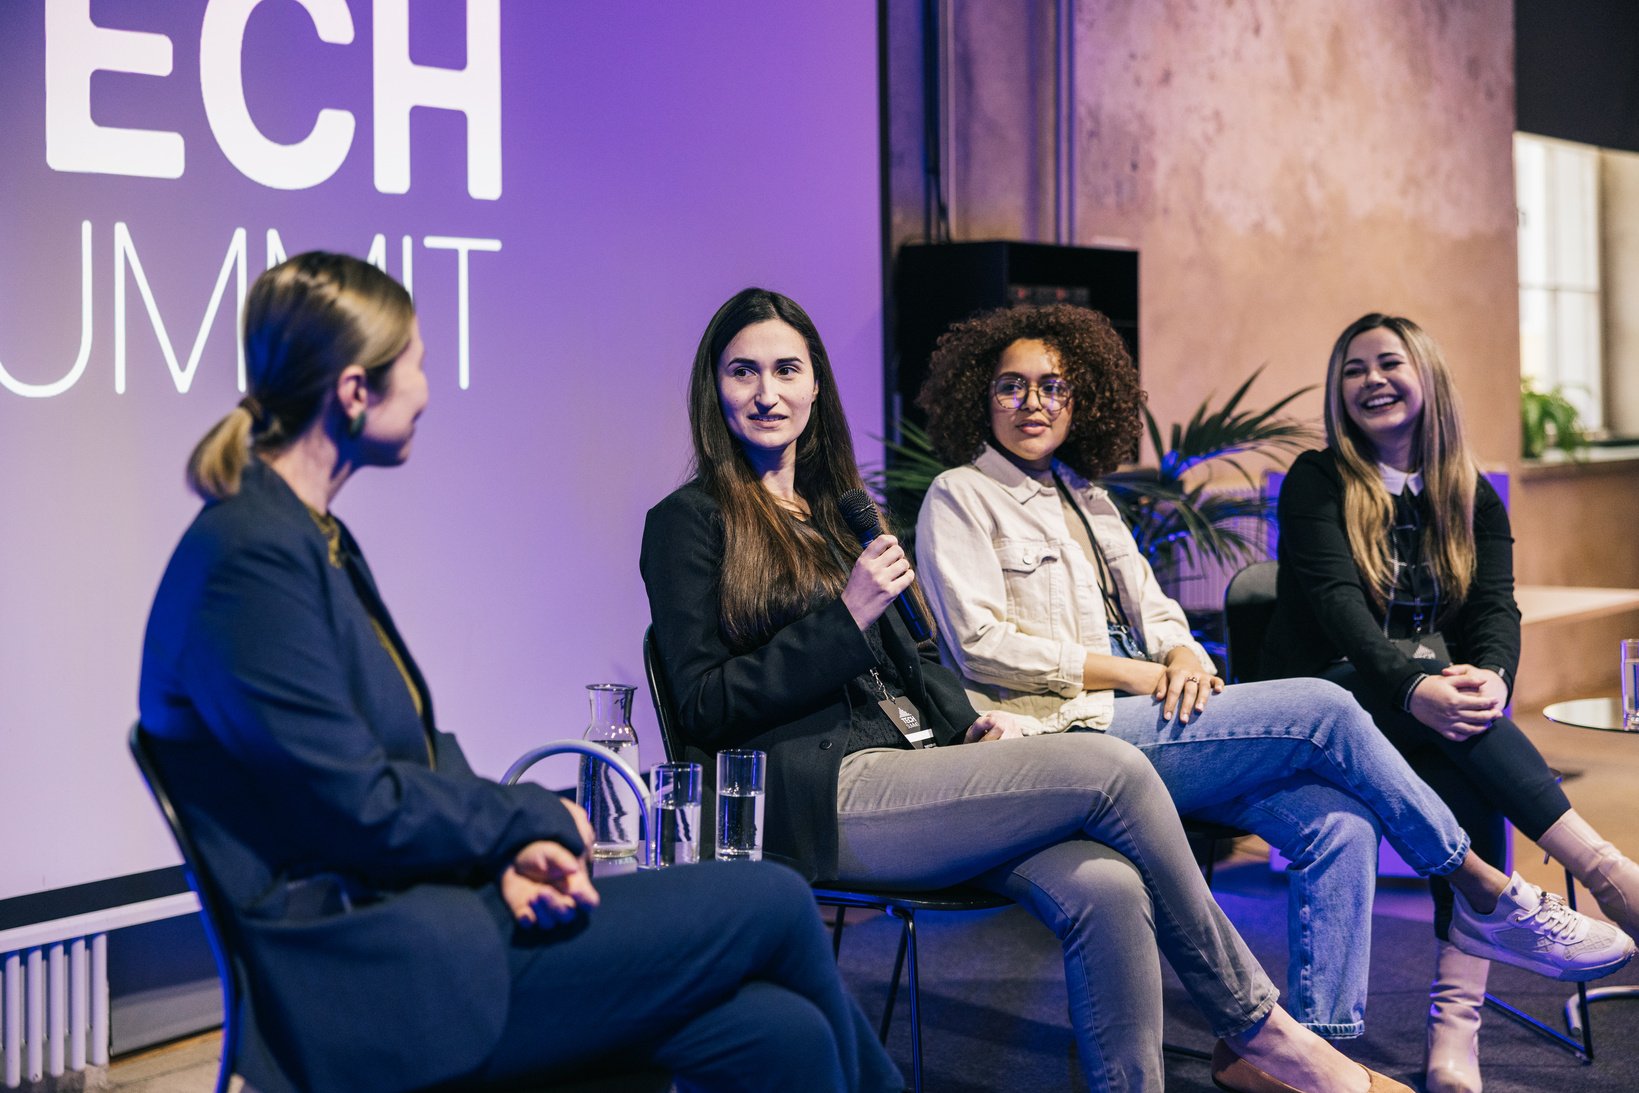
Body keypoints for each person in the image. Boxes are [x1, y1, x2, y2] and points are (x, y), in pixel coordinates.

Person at [640, 286, 1440, 1093]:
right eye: (743, 372)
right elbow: (703, 701)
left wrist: (968, 726)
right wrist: (845, 616)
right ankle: (1268, 1032)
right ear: (715, 388)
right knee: (1112, 765)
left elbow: (919, 666)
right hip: (819, 796)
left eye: (786, 369)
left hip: (917, 768)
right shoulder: (688, 521)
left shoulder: (840, 511)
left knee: (1108, 884)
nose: (766, 391)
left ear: (816, 387)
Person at [138, 253, 902, 1093]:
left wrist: (506, 851)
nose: (429, 389)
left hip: (433, 918)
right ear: (355, 391)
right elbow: (352, 804)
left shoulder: (301, 536)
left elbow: (413, 757)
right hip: (376, 974)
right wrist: (533, 816)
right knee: (774, 900)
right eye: (418, 365)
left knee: (775, 1033)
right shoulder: (250, 560)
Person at [910, 303, 1634, 1051]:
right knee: (1323, 704)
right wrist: (1137, 673)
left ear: (1080, 399)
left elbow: (1157, 612)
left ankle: (1320, 1051)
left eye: (1054, 386)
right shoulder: (959, 496)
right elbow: (979, 643)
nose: (1035, 403)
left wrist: (1184, 653)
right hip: (1069, 731)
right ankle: (1486, 888)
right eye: (1011, 386)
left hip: (1155, 722)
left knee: (1339, 826)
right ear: (978, 396)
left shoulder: (1087, 498)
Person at [1261, 312, 1639, 1093]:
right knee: (1452, 717)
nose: (1370, 380)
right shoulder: (1316, 479)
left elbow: (1494, 611)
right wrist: (1416, 685)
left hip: (1423, 708)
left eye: (1387, 362)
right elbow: (1339, 614)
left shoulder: (1468, 492)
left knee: (1467, 730)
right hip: (1320, 705)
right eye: (1352, 368)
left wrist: (1492, 674)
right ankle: (1604, 871)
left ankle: (1453, 1030)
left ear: (1425, 376)